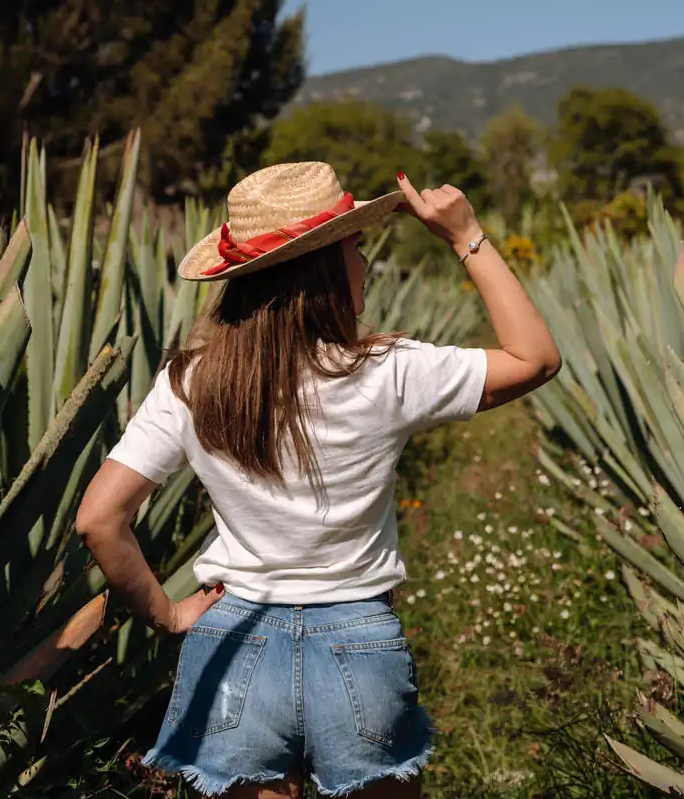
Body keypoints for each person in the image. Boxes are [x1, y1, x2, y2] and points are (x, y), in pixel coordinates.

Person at [76, 161, 561, 799]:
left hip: (232, 642)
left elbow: (98, 519)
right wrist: (465, 236)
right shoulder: (387, 373)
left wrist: (166, 614)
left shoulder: (188, 384)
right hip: (359, 646)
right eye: (356, 249)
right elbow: (536, 358)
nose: (366, 264)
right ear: (326, 271)